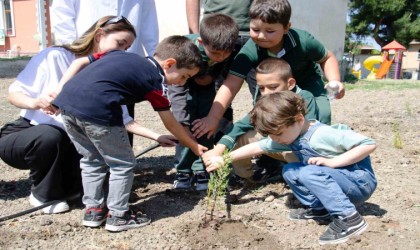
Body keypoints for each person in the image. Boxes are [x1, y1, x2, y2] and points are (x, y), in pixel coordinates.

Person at [51, 35, 207, 232]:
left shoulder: (120, 55)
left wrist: (156, 137)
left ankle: (93, 210)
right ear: (169, 64)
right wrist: (194, 145)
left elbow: (84, 62)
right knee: (122, 163)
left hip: (68, 107)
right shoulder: (155, 82)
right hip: (98, 112)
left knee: (91, 160)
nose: (182, 82)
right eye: (184, 76)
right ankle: (118, 215)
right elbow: (171, 124)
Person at [0, 16, 138, 214]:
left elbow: (125, 120)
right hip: (29, 133)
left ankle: (71, 188)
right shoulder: (55, 56)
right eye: (119, 44)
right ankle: (42, 194)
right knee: (50, 135)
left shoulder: (109, 75)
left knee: (81, 191)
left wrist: (162, 136)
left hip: (73, 141)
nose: (121, 52)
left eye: (126, 49)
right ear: (99, 35)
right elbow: (13, 94)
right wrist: (35, 102)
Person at [205, 91, 377, 245]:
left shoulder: (322, 135)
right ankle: (321, 210)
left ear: (299, 119)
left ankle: (350, 218)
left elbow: (368, 144)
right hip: (339, 182)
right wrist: (225, 159)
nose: (276, 139)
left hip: (359, 182)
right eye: (271, 135)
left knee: (309, 172)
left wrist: (334, 162)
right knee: (290, 170)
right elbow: (259, 147)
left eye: (278, 134)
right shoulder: (292, 135)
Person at [192, 0, 345, 139]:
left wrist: (335, 81)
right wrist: (213, 118)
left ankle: (321, 147)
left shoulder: (303, 40)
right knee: (267, 115)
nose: (262, 36)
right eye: (255, 29)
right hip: (275, 88)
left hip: (306, 80)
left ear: (286, 28)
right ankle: (271, 156)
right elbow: (231, 84)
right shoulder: (250, 50)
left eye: (270, 31)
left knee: (322, 112)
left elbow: (327, 57)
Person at [51, 0, 160, 145]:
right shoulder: (61, 57)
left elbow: (148, 19)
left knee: (121, 111)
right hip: (87, 51)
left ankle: (120, 157)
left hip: (125, 62)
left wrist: (154, 58)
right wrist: (74, 49)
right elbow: (62, 12)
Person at [202, 58, 318, 186]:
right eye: (262, 88)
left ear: (290, 84)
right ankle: (245, 177)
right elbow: (241, 125)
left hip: (300, 151)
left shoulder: (305, 97)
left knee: (300, 172)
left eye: (273, 87)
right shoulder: (265, 102)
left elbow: (308, 137)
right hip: (275, 143)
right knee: (242, 136)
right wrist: (219, 149)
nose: (266, 93)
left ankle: (304, 180)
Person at [169, 13, 238, 191]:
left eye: (226, 53)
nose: (221, 57)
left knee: (206, 127)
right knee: (187, 128)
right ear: (201, 42)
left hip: (210, 89)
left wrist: (214, 117)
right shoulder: (186, 49)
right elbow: (176, 90)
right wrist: (181, 123)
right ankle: (183, 169)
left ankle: (202, 168)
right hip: (184, 85)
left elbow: (228, 81)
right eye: (215, 53)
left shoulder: (231, 49)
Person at [186, 0, 256, 97]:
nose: (221, 57)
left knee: (262, 90)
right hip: (214, 36)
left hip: (253, 35)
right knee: (212, 92)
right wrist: (195, 34)